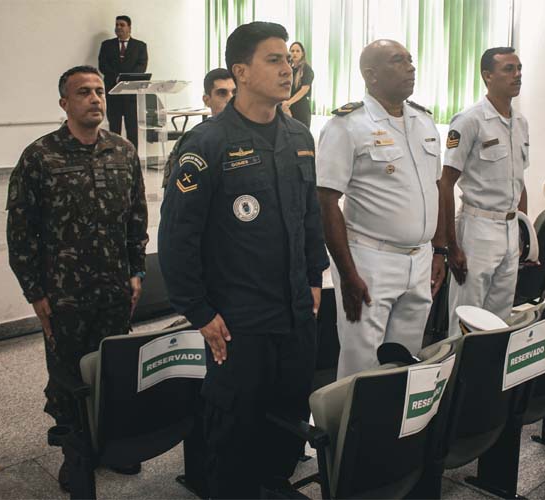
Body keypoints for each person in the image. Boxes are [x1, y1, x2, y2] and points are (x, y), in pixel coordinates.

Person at [157, 22, 328, 498]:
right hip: (238, 322)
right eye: (273, 59)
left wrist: (314, 277)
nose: (287, 68)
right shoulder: (206, 144)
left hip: (295, 315)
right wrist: (199, 311)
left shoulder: (298, 135)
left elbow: (310, 214)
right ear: (242, 71)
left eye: (288, 60)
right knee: (234, 433)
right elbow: (176, 238)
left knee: (286, 426)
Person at [6, 65, 148, 489]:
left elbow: (136, 217)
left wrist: (137, 269)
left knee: (112, 369)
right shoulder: (40, 156)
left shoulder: (123, 152)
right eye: (84, 92)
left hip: (114, 289)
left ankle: (113, 444)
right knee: (68, 377)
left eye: (100, 91)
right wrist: (34, 292)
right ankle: (76, 454)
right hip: (63, 294)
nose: (95, 99)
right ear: (64, 102)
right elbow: (20, 231)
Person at [317, 39, 446, 378]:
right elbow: (326, 202)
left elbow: (435, 189)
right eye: (398, 60)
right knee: (362, 365)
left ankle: (392, 431)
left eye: (410, 60)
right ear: (371, 75)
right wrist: (346, 274)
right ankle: (350, 431)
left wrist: (439, 251)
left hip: (419, 259)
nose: (410, 67)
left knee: (404, 361)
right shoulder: (347, 125)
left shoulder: (423, 121)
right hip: (370, 261)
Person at [439, 47, 529, 336]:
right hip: (478, 229)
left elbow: (519, 180)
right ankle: (457, 378)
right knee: (466, 317)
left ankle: (486, 379)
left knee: (499, 320)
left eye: (519, 69)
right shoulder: (469, 120)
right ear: (487, 76)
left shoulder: (521, 123)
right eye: (508, 69)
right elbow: (445, 183)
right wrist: (451, 246)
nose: (517, 75)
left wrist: (524, 229)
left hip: (509, 229)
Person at [161, 68, 236, 189]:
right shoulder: (195, 142)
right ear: (207, 100)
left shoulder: (254, 135)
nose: (230, 98)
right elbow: (178, 200)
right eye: (222, 93)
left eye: (235, 92)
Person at [98, 15, 148, 148]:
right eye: (117, 25)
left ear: (129, 28)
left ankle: (132, 157)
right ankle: (114, 156)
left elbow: (141, 67)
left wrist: (125, 78)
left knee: (132, 128)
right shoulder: (107, 45)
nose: (118, 27)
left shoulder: (140, 46)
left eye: (122, 25)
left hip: (130, 93)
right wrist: (117, 77)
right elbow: (103, 65)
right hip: (113, 91)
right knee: (114, 127)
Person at [282, 41, 314, 128]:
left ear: (302, 53)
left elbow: (304, 90)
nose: (294, 53)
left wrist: (289, 103)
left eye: (297, 51)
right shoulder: (289, 69)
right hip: (288, 106)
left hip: (300, 107)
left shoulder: (307, 69)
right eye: (292, 51)